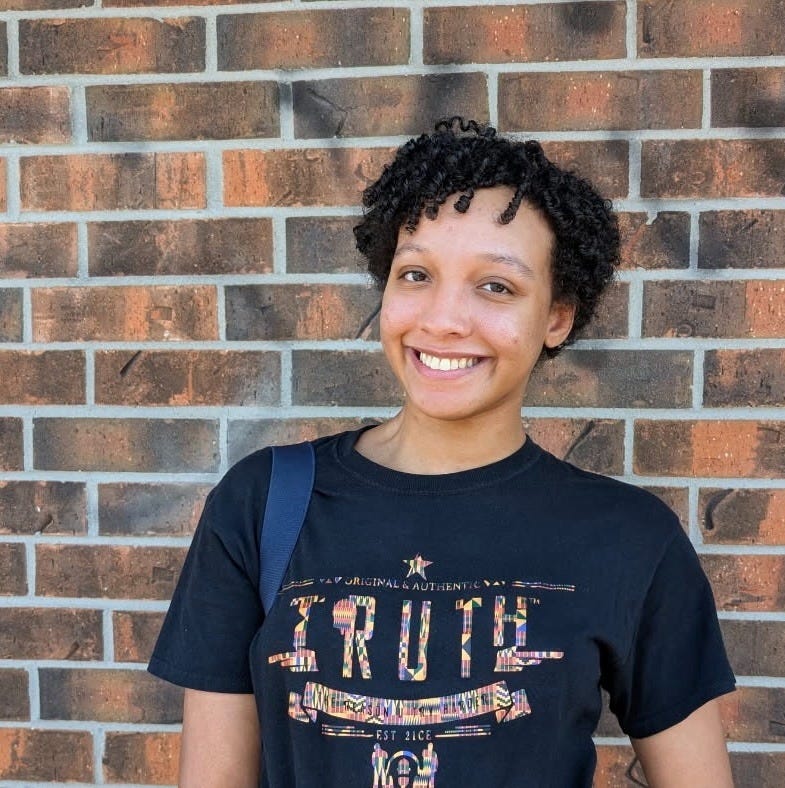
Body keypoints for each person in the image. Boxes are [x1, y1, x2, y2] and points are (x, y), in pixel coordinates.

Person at [149, 117, 736, 787]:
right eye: (417, 274)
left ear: (556, 316)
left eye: (496, 286)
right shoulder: (263, 504)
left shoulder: (629, 537)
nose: (443, 319)